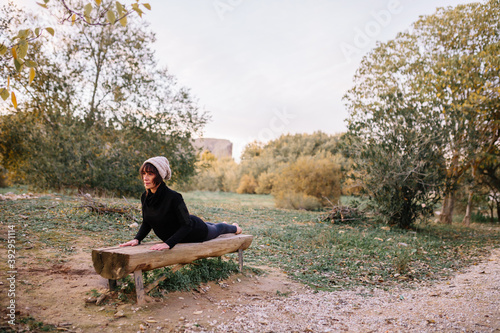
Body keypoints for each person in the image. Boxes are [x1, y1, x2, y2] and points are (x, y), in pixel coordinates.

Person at [119, 156, 242, 251]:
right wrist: (137, 239)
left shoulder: (174, 197)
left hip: (195, 232)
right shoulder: (145, 197)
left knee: (218, 228)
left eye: (150, 174)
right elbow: (147, 222)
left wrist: (168, 243)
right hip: (179, 232)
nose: (145, 178)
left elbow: (187, 225)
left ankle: (235, 227)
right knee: (213, 225)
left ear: (160, 176)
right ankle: (223, 224)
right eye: (144, 173)